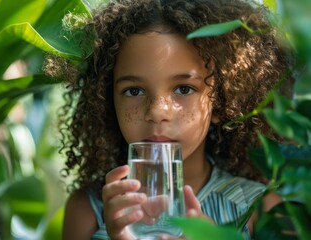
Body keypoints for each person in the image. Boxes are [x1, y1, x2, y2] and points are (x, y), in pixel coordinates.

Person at [45, 0, 293, 239]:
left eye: (184, 89)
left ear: (220, 104)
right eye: (134, 91)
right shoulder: (88, 210)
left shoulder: (261, 211)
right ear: (109, 102)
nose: (156, 111)